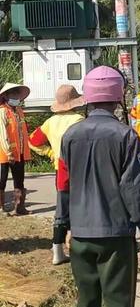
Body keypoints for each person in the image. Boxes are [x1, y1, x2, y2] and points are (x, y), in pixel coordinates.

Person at [57, 65, 140, 307]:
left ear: (87, 97)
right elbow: (133, 187)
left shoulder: (70, 136)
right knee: (118, 306)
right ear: (118, 98)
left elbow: (65, 185)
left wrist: (64, 226)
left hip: (81, 235)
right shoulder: (126, 136)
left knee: (86, 303)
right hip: (115, 237)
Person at [29, 85, 84, 265]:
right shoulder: (79, 119)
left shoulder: (50, 122)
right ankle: (78, 245)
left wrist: (50, 152)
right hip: (79, 168)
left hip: (59, 169)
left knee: (61, 210)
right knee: (81, 208)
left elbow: (32, 141)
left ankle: (57, 251)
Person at [0, 83, 31, 215]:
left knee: (19, 181)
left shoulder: (19, 111)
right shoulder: (2, 111)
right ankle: (2, 209)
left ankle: (20, 208)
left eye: (17, 94)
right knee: (2, 181)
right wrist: (8, 152)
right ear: (6, 96)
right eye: (13, 94)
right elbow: (2, 134)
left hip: (19, 153)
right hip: (4, 154)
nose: (16, 97)